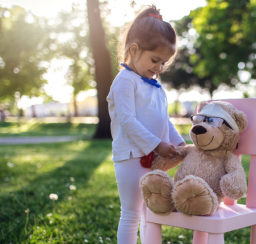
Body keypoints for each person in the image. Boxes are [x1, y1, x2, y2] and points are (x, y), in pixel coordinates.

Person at [106, 6, 185, 244]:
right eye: (155, 60)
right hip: (131, 158)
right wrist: (157, 144)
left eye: (164, 63)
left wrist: (179, 143)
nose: (159, 68)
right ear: (134, 50)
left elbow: (165, 119)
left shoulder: (155, 86)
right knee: (131, 214)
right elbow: (128, 121)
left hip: (154, 158)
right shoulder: (124, 82)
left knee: (150, 213)